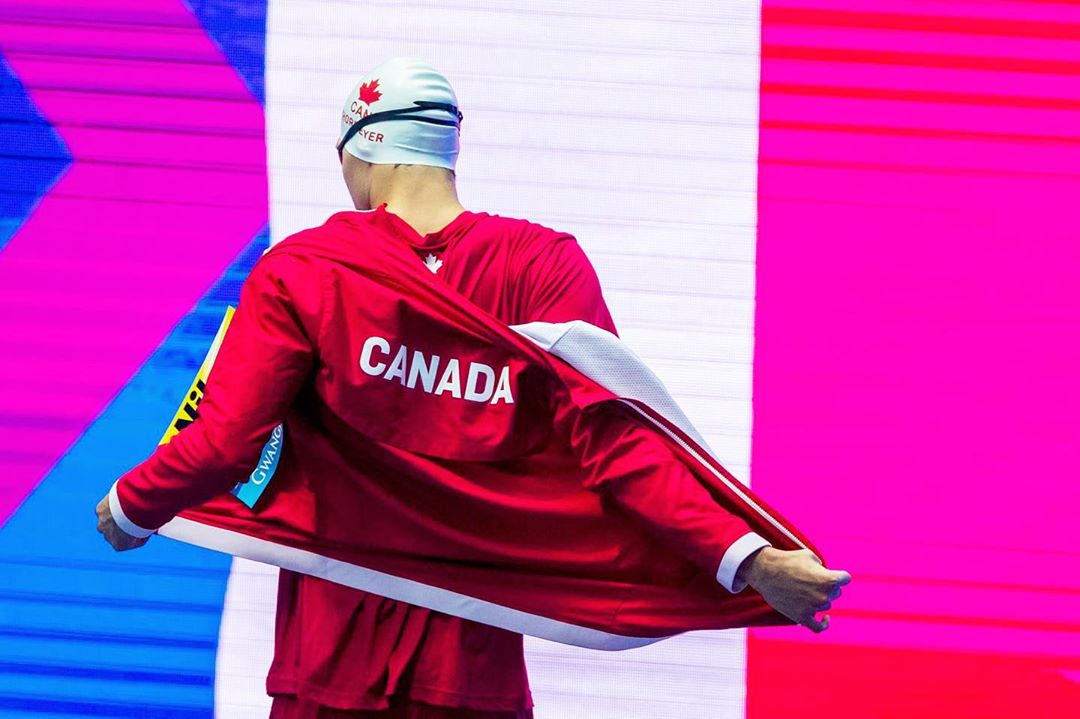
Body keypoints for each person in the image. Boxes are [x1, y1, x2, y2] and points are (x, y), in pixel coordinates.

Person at [96, 58, 849, 719]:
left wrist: (134, 505)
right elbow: (620, 445)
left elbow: (225, 443)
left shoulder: (305, 270)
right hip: (472, 670)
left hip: (328, 663)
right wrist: (749, 559)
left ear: (362, 150)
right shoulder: (543, 266)